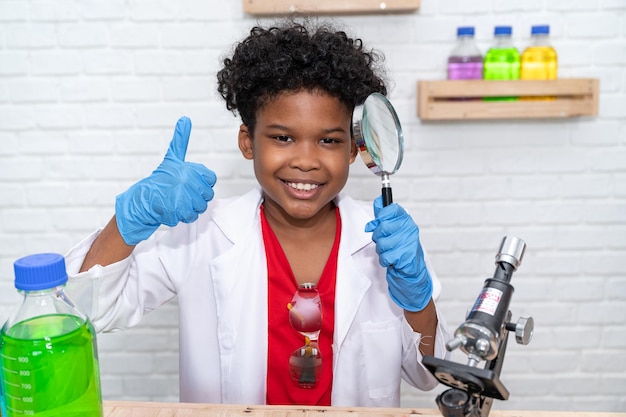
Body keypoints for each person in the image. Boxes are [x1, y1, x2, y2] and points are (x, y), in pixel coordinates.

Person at [65, 18, 450, 407]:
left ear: (353, 150)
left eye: (329, 140)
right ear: (248, 142)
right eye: (283, 137)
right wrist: (128, 224)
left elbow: (428, 374)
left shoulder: (386, 241)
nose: (305, 160)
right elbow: (86, 313)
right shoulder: (203, 235)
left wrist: (418, 301)